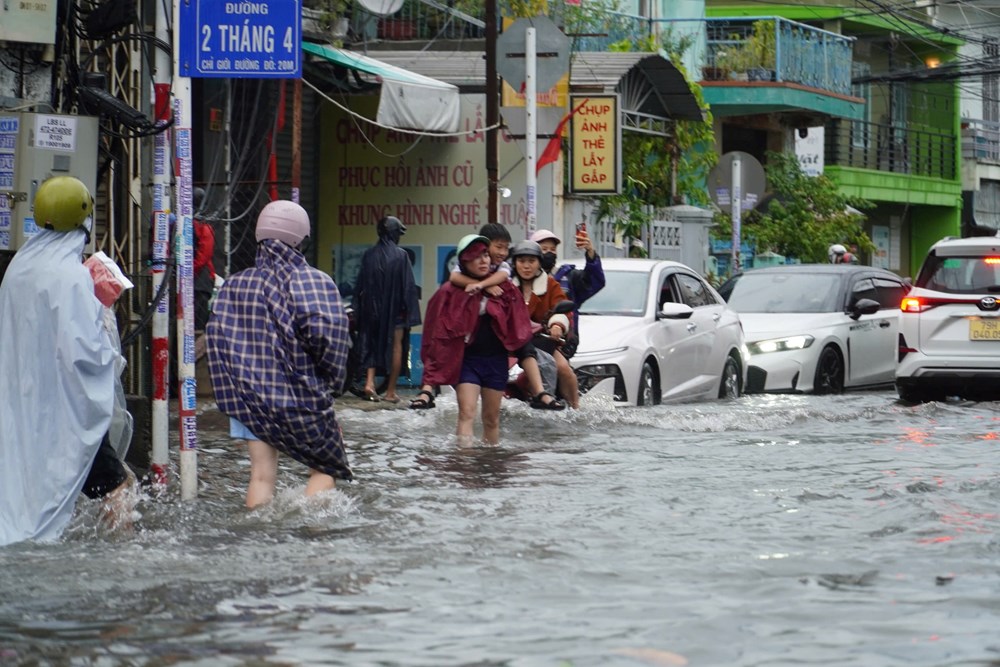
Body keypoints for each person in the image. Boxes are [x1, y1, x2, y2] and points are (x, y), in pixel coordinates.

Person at [0, 176, 134, 546]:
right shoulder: (72, 276)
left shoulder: (17, 270)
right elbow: (85, 353)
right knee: (116, 486)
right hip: (66, 409)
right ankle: (122, 549)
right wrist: (103, 310)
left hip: (22, 402)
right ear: (82, 219)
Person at [206, 200, 352, 508]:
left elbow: (218, 342)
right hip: (302, 399)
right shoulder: (314, 282)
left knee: (260, 475)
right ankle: (307, 539)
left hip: (249, 399)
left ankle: (259, 539)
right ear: (301, 239)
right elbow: (330, 341)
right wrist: (332, 385)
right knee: (325, 469)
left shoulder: (234, 285)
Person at [410, 223, 564, 410]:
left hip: (499, 338)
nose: (501, 253)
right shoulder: (458, 280)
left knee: (526, 346)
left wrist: (484, 285)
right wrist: (481, 284)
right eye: (497, 247)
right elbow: (455, 278)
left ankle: (541, 393)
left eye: (506, 248)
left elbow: (505, 282)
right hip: (466, 335)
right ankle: (427, 390)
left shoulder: (510, 276)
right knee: (440, 345)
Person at [421, 234, 534, 445]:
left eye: (485, 255)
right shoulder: (449, 291)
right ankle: (464, 463)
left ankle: (490, 464)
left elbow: (518, 325)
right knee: (467, 412)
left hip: (495, 359)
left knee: (491, 419)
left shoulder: (504, 287)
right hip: (467, 360)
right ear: (464, 261)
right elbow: (435, 332)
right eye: (476, 257)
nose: (483, 261)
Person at [352, 216, 421, 403]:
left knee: (371, 344)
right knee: (397, 348)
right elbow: (408, 287)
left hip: (371, 310)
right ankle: (390, 392)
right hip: (395, 313)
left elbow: (360, 284)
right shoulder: (401, 256)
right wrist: (411, 313)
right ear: (394, 233)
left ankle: (369, 382)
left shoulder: (369, 255)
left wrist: (357, 308)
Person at [511, 239, 580, 409]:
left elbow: (562, 310)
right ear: (514, 263)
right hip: (510, 344)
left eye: (531, 261)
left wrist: (557, 325)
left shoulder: (551, 284)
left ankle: (576, 409)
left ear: (539, 263)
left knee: (563, 368)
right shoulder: (505, 286)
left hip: (541, 342)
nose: (526, 266)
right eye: (521, 261)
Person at [529, 226, 606, 359]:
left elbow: (594, 282)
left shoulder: (568, 277)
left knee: (565, 373)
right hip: (529, 342)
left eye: (553, 249)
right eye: (544, 249)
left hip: (561, 342)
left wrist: (591, 253)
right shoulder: (521, 279)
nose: (549, 253)